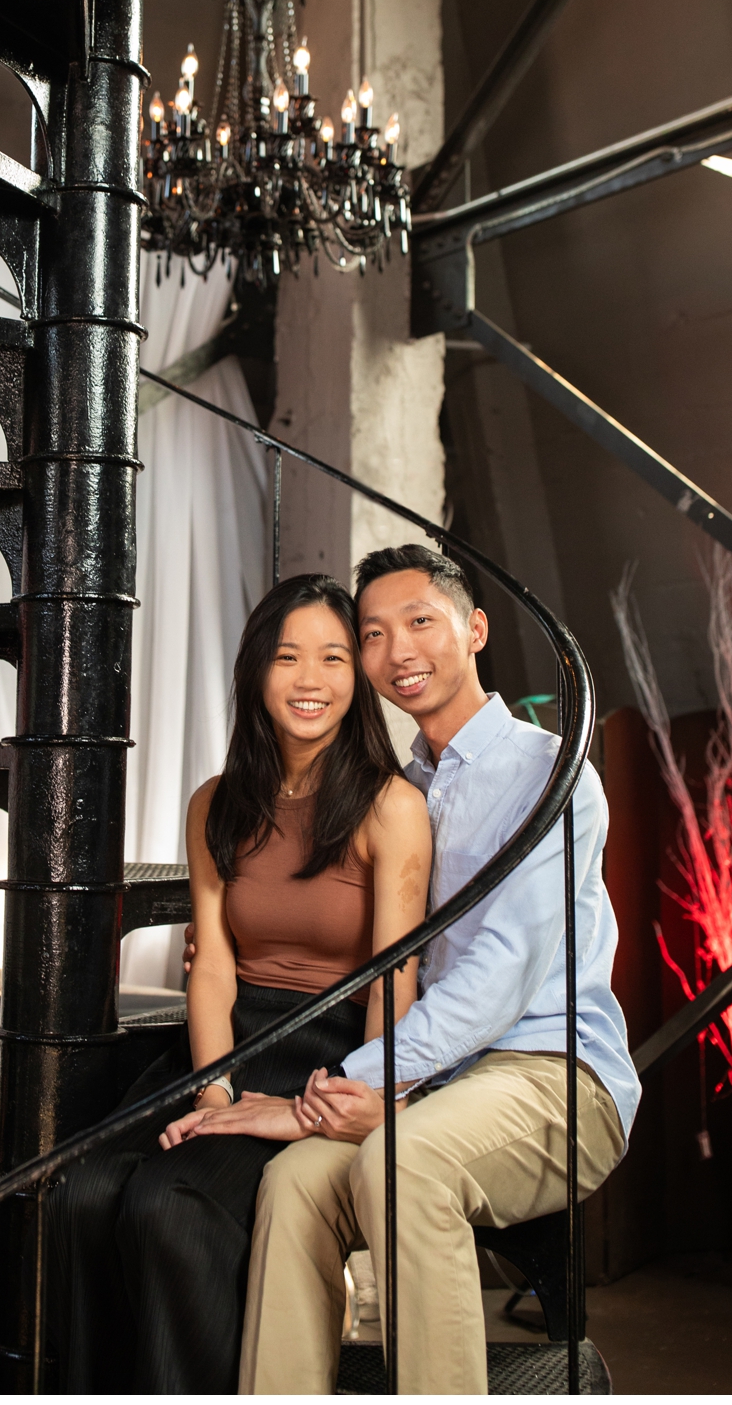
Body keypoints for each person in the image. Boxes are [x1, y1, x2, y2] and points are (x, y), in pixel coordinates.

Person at [241, 544, 638, 1394]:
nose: (398, 652)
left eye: (421, 621)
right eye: (374, 635)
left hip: (555, 1080)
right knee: (293, 1184)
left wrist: (355, 1081)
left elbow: (505, 967)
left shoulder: (551, 771)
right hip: (436, 1089)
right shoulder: (401, 789)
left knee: (405, 1160)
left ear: (476, 629)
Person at [54, 573, 431, 1393]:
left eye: (335, 658)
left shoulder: (389, 806)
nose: (312, 680)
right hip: (229, 1044)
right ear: (257, 670)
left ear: (356, 681)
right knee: (79, 1193)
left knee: (168, 1206)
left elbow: (391, 975)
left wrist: (345, 1104)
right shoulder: (215, 803)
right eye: (289, 656)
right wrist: (215, 1093)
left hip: (328, 1047)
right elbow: (215, 963)